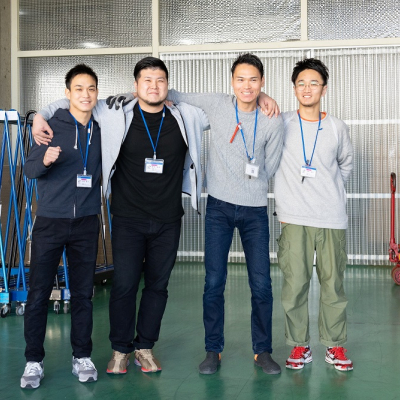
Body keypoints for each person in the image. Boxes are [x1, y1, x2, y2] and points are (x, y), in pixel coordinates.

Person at [31, 57, 209, 375]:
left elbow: (222, 109)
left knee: (158, 287)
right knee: (124, 285)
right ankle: (120, 349)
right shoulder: (115, 112)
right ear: (135, 85)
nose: (153, 86)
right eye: (146, 80)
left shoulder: (185, 115)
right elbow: (77, 99)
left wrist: (260, 97)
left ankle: (145, 347)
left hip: (168, 218)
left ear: (168, 86)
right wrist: (39, 116)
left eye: (160, 81)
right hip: (127, 217)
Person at [166, 53, 285, 375]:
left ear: (262, 82)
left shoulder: (272, 119)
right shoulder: (217, 104)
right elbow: (174, 95)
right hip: (219, 207)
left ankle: (263, 351)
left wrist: (250, 182)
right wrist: (135, 92)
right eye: (240, 79)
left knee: (261, 284)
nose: (247, 86)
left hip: (255, 210)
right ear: (232, 81)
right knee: (214, 282)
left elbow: (272, 164)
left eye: (254, 80)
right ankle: (212, 350)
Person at [20, 63, 102, 389]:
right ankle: (33, 361)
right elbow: (29, 170)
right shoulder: (50, 127)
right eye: (78, 88)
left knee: (83, 294)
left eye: (91, 88)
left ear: (97, 93)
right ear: (67, 93)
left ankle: (82, 356)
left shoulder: (103, 127)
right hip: (50, 222)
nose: (85, 94)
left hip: (86, 222)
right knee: (39, 293)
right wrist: (44, 160)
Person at [274, 58, 354, 372]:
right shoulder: (281, 123)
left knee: (333, 285)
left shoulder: (336, 127)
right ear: (294, 88)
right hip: (294, 219)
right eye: (301, 83)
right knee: (295, 286)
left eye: (314, 83)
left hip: (331, 218)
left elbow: (345, 164)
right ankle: (299, 345)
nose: (307, 89)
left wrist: (329, 192)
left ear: (324, 88)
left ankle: (334, 345)